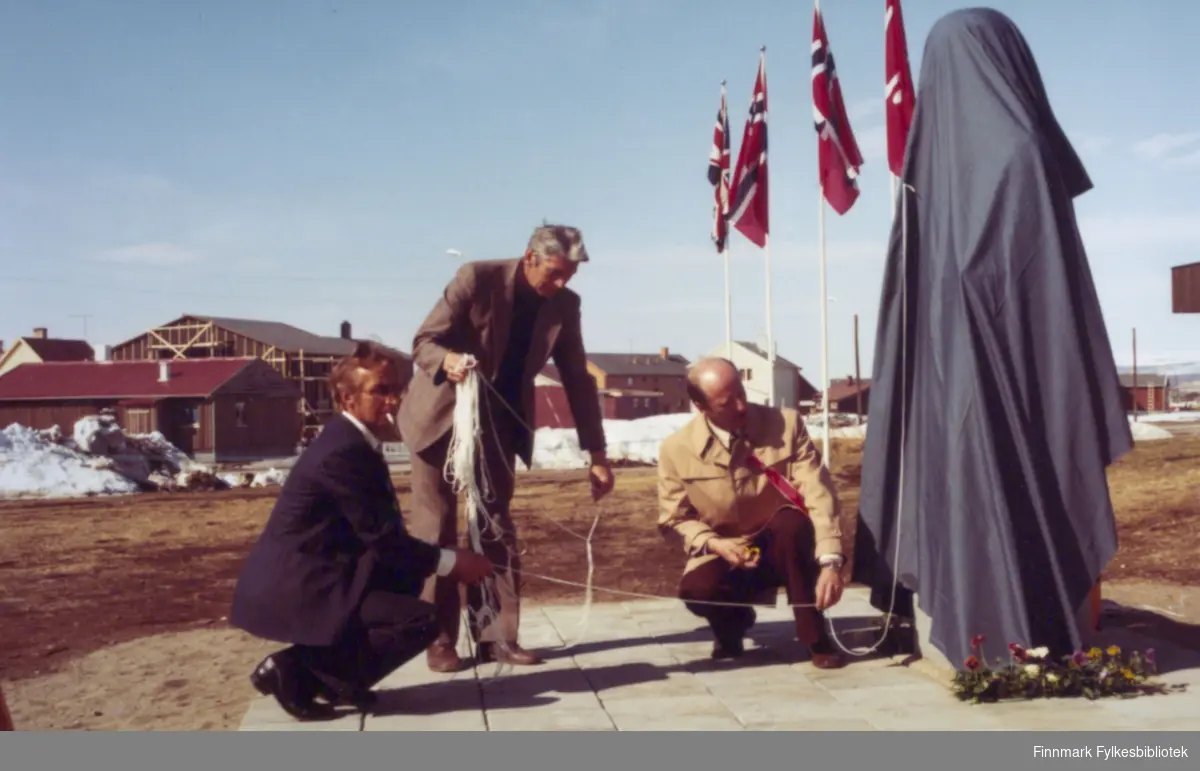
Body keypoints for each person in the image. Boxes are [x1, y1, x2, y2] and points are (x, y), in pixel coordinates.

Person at [851, 8, 1132, 667]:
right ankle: (1018, 627)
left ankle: (999, 630)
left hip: (962, 379)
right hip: (1011, 370)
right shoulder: (1010, 152)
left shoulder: (946, 168)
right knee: (1024, 467)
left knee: (983, 474)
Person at [229, 341, 494, 720]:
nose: (392, 401)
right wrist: (455, 563)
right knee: (419, 620)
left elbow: (379, 539)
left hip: (324, 573)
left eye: (395, 390)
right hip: (301, 584)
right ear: (346, 398)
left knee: (403, 585)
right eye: (380, 391)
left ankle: (326, 677)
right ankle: (296, 670)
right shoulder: (343, 451)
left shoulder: (352, 440)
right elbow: (383, 539)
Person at [397, 224, 614, 673]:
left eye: (568, 277)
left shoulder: (565, 306)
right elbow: (424, 342)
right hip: (439, 421)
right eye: (554, 274)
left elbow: (577, 377)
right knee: (435, 530)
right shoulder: (477, 278)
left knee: (496, 530)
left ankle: (497, 637)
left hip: (498, 427)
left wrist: (597, 455)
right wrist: (449, 361)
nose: (560, 285)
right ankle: (438, 638)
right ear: (529, 257)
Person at [656, 357, 846, 668]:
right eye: (727, 402)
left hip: (782, 543)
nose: (742, 407)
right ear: (700, 406)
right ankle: (732, 625)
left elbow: (818, 492)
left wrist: (831, 560)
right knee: (696, 590)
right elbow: (674, 520)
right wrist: (716, 544)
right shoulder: (675, 449)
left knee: (792, 523)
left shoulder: (786, 424)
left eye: (742, 393)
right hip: (726, 547)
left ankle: (815, 637)